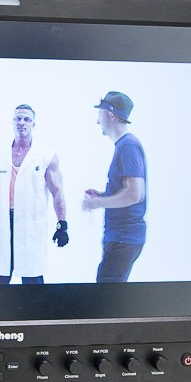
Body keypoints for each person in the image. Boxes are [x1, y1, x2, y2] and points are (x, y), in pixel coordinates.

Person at [0, 104, 68, 284]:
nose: (22, 122)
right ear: (12, 122)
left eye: (27, 119)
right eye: (18, 118)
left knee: (32, 278)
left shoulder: (46, 155)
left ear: (33, 124)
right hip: (3, 221)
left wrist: (62, 224)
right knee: (1, 278)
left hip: (30, 224)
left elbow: (57, 192)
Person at [82, 91, 147, 282]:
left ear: (110, 116)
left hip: (123, 238)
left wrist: (97, 203)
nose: (97, 121)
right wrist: (103, 195)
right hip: (121, 238)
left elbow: (135, 194)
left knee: (107, 295)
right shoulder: (124, 145)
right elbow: (128, 190)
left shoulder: (128, 146)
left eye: (99, 114)